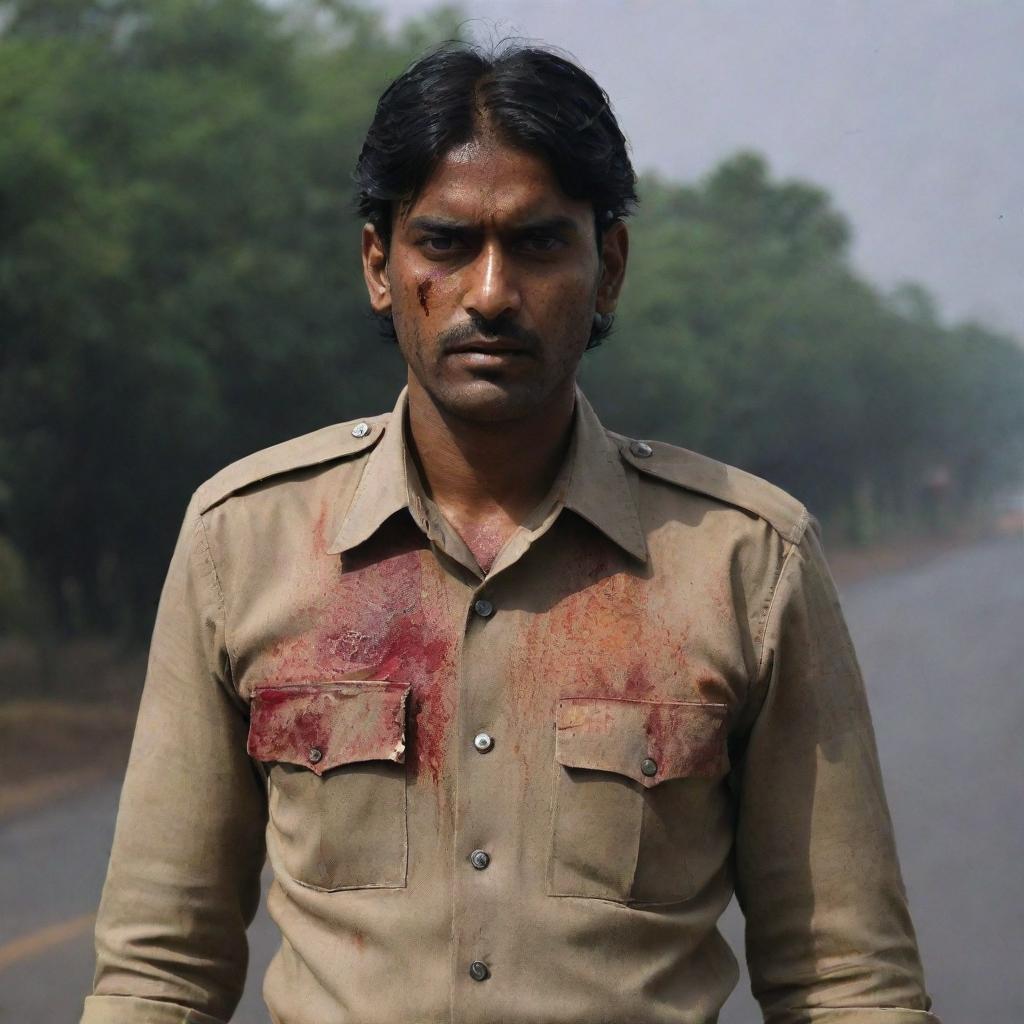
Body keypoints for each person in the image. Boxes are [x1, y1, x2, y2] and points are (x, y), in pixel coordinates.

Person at [82, 42, 940, 1024]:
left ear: (606, 267)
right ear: (378, 263)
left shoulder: (745, 561)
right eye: (445, 243)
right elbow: (160, 973)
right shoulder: (246, 541)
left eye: (537, 243)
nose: (490, 293)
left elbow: (846, 983)